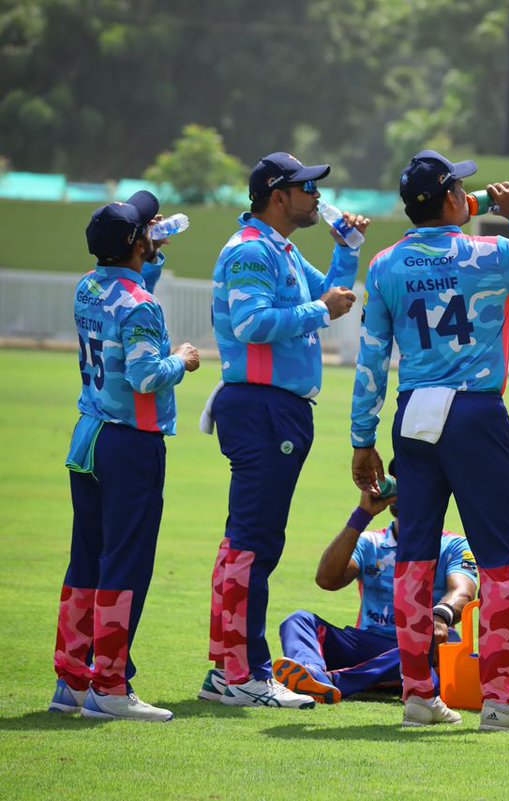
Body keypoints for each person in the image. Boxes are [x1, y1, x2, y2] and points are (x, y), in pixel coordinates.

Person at [350, 150, 509, 730]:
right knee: (500, 560)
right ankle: (502, 699)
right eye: (462, 190)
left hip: (413, 416)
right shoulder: (490, 253)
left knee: (413, 557)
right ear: (454, 198)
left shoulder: (384, 264)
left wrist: (362, 437)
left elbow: (372, 359)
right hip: (474, 414)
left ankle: (417, 695)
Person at [202, 152, 368, 709]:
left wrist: (346, 253)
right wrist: (320, 309)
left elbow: (331, 296)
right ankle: (245, 673)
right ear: (278, 195)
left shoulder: (280, 248)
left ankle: (228, 669)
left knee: (244, 543)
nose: (318, 197)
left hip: (273, 409)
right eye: (307, 188)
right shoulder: (252, 250)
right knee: (254, 544)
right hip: (263, 409)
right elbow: (252, 324)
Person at [52, 191, 201, 722]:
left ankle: (72, 680)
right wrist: (181, 360)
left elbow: (127, 296)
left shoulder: (89, 287)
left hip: (89, 437)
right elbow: (145, 375)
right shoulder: (141, 305)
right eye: (143, 229)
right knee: (125, 563)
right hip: (130, 443)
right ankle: (110, 686)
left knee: (86, 559)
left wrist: (148, 252)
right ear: (135, 242)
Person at [272, 480, 478, 704]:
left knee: (416, 650)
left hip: (426, 645)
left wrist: (440, 616)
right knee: (299, 620)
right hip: (368, 642)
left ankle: (329, 681)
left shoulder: (454, 546)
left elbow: (463, 592)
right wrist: (362, 515)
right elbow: (327, 580)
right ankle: (311, 670)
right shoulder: (371, 542)